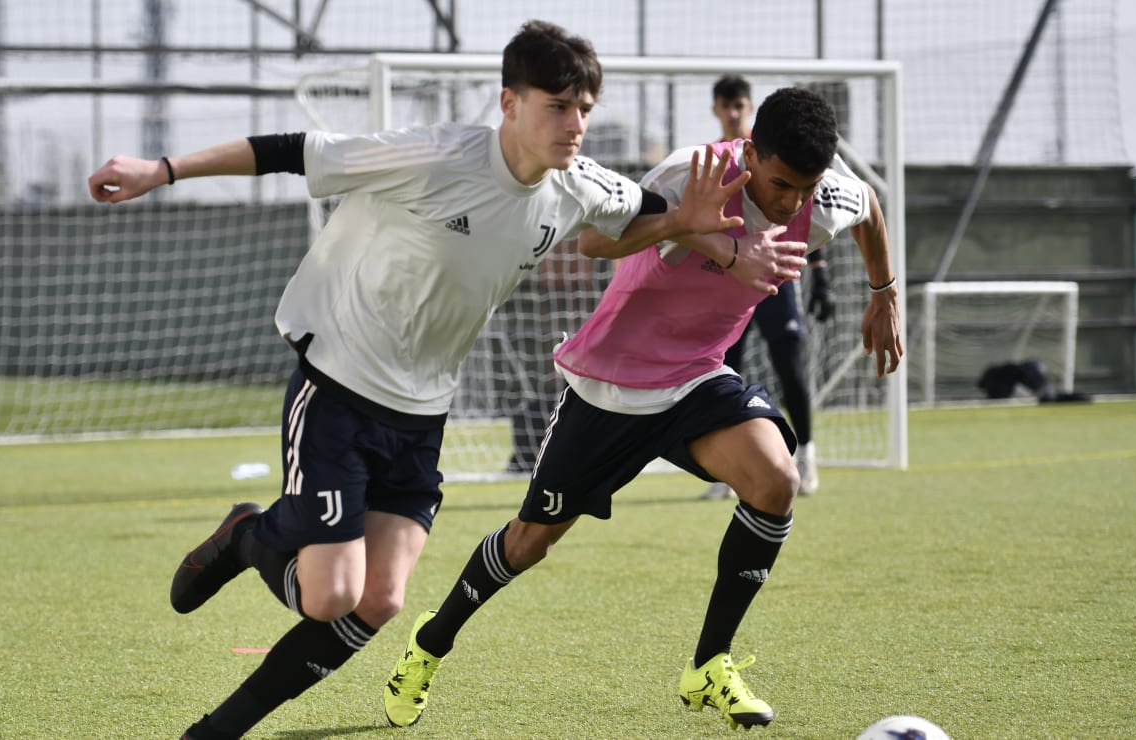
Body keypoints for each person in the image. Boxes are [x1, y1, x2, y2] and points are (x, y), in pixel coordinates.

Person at [87, 20, 799, 739]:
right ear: (508, 103)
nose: (575, 124)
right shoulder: (433, 156)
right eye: (557, 106)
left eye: (584, 108)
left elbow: (642, 216)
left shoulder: (577, 184)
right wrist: (162, 170)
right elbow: (289, 152)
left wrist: (699, 227)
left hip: (423, 415)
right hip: (338, 387)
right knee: (332, 594)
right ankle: (249, 535)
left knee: (380, 601)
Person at [382, 87, 902, 731]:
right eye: (779, 183)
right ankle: (430, 644)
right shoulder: (692, 172)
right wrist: (701, 232)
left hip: (696, 379)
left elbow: (870, 206)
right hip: (610, 385)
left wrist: (883, 293)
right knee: (529, 543)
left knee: (776, 481)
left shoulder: (819, 198)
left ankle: (709, 665)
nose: (791, 201)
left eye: (804, 187)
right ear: (751, 153)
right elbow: (596, 243)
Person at [701, 74, 836, 500]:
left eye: (740, 103)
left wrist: (821, 272)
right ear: (716, 109)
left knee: (790, 366)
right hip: (728, 283)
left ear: (748, 106)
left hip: (777, 280)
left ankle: (807, 455)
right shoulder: (716, 163)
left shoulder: (780, 155)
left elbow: (804, 213)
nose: (734, 111)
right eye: (727, 105)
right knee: (723, 374)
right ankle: (727, 470)